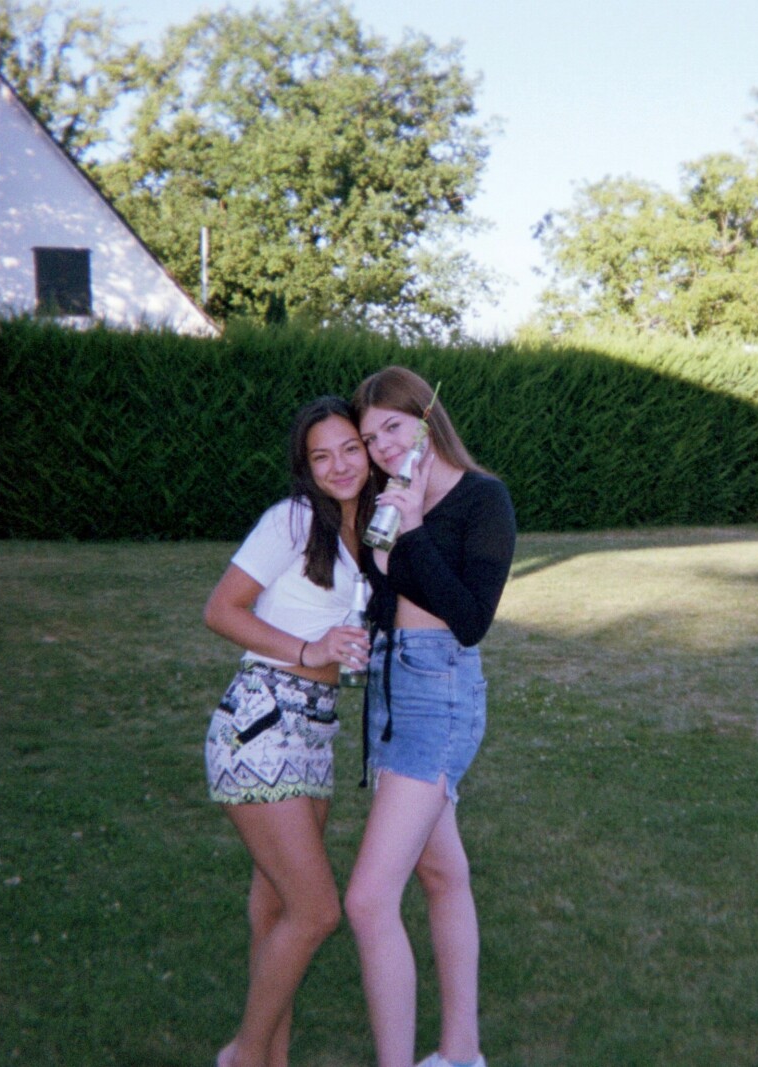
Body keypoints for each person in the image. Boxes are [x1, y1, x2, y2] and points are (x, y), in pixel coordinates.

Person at [343, 367, 516, 1067]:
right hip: (390, 689)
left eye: (392, 426)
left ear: (426, 416)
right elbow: (387, 596)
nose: (381, 446)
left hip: (439, 692)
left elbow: (470, 620)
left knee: (367, 899)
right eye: (369, 437)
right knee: (443, 876)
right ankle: (462, 1053)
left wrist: (411, 530)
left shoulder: (483, 499)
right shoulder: (385, 499)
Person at [201, 396, 374, 1067]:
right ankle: (244, 1055)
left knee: (275, 909)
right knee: (316, 910)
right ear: (306, 467)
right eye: (320, 456)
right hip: (262, 721)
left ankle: (273, 1058)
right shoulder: (293, 519)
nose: (339, 465)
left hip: (315, 729)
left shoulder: (370, 530)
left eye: (350, 448)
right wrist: (309, 649)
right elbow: (221, 609)